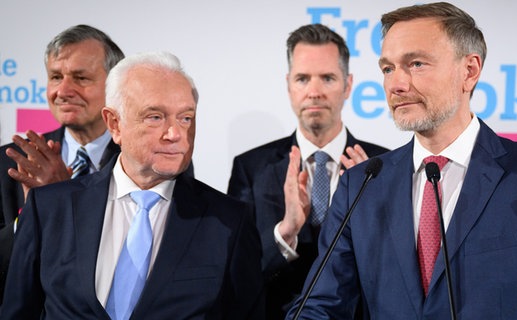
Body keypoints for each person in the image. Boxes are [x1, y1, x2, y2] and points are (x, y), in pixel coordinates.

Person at [286, 2, 517, 319]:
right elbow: (321, 304)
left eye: (416, 64)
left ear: (470, 71)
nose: (396, 84)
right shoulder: (361, 185)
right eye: (388, 69)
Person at [0, 51, 264, 319]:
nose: (175, 134)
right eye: (155, 117)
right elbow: (18, 312)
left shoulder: (230, 221)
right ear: (114, 123)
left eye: (185, 118)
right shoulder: (49, 207)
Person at [0, 25, 195, 303]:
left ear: (115, 89)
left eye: (81, 78)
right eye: (56, 77)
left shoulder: (157, 158)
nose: (63, 90)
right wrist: (33, 214)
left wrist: (63, 200)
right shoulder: (10, 161)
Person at [228, 23, 389, 319]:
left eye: (327, 78)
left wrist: (372, 214)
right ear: (289, 84)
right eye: (303, 79)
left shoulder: (385, 166)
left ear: (348, 84)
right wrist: (285, 233)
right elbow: (237, 276)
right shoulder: (250, 168)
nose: (314, 92)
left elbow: (398, 274)